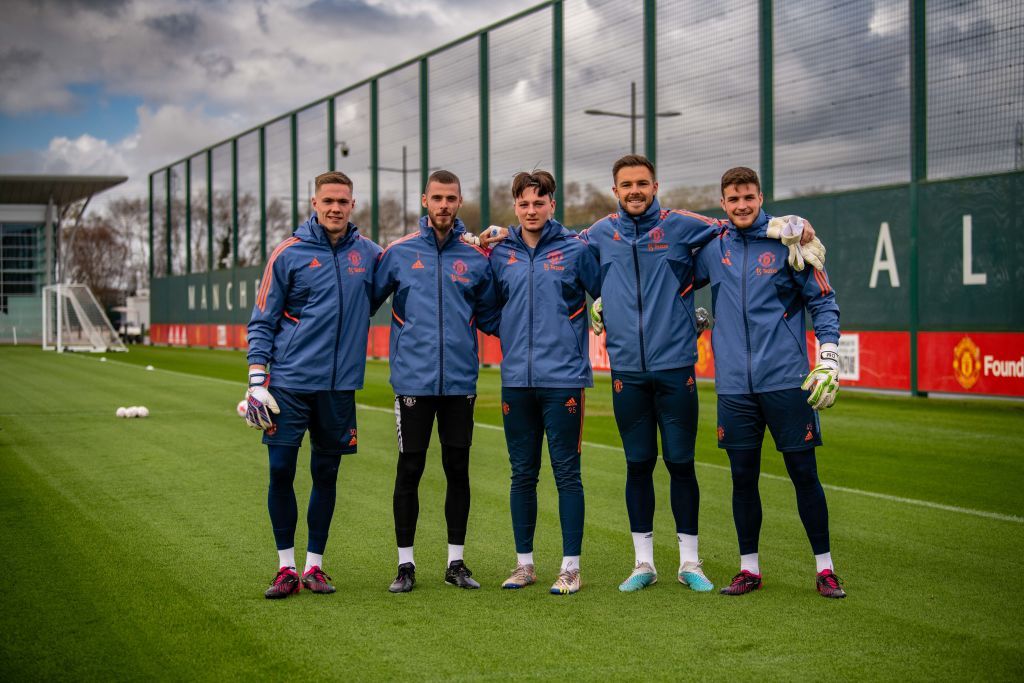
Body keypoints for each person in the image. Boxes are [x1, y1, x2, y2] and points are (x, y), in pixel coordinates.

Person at [694, 166, 846, 598]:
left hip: (785, 380)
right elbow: (670, 280)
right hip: (734, 388)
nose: (741, 205)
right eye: (733, 199)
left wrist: (829, 359)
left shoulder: (789, 243)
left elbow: (824, 302)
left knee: (803, 473)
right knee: (742, 477)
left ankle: (825, 569)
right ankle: (749, 570)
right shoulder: (712, 248)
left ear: (761, 198)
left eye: (749, 197)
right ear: (722, 204)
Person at [244, 170, 382, 599]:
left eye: (343, 201)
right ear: (314, 203)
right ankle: (286, 568)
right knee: (281, 469)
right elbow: (263, 319)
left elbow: (415, 260)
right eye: (328, 201)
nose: (335, 208)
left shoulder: (371, 255)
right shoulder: (288, 253)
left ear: (352, 205)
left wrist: (470, 240)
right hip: (288, 384)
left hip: (339, 388)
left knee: (327, 472)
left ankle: (314, 567)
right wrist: (256, 379)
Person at [372, 169, 500, 593]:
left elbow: (493, 317)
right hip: (413, 383)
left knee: (457, 470)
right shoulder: (399, 253)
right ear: (424, 200)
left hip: (460, 383)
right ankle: (405, 565)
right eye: (437, 197)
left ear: (460, 202)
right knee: (409, 469)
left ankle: (456, 563)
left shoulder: (477, 256)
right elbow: (362, 301)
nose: (444, 205)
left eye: (452, 198)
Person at [487, 171, 601, 595]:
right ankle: (524, 565)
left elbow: (608, 290)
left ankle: (570, 568)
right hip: (516, 379)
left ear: (552, 204)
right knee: (522, 474)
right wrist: (513, 335)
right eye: (524, 203)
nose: (531, 210)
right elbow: (486, 306)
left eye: (540, 202)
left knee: (567, 473)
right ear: (514, 207)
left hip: (565, 378)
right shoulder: (500, 253)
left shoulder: (575, 249)